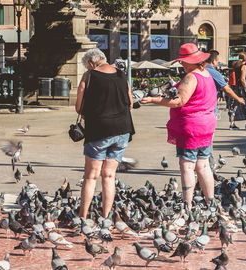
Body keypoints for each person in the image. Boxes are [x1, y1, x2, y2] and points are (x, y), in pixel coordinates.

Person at [140, 43, 216, 209]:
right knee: (203, 165)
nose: (181, 64)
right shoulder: (206, 74)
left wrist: (153, 100)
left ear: (191, 61)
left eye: (183, 61)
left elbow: (179, 101)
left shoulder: (191, 77)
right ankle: (212, 202)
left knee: (187, 166)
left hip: (191, 126)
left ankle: (187, 205)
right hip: (207, 125)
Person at [76, 48, 135, 219]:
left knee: (91, 177)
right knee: (109, 175)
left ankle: (83, 217)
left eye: (88, 66)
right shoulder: (121, 74)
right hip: (122, 129)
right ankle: (106, 217)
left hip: (99, 130)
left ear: (91, 63)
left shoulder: (89, 76)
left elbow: (79, 107)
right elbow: (130, 103)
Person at [205, 50, 245, 123]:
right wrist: (238, 98)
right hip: (209, 109)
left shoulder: (198, 70)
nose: (217, 63)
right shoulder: (214, 72)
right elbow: (227, 89)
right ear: (214, 61)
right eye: (217, 61)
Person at [230, 52, 246, 130]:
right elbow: (242, 79)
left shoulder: (236, 65)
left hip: (235, 88)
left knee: (234, 106)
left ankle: (232, 124)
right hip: (242, 88)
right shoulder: (244, 66)